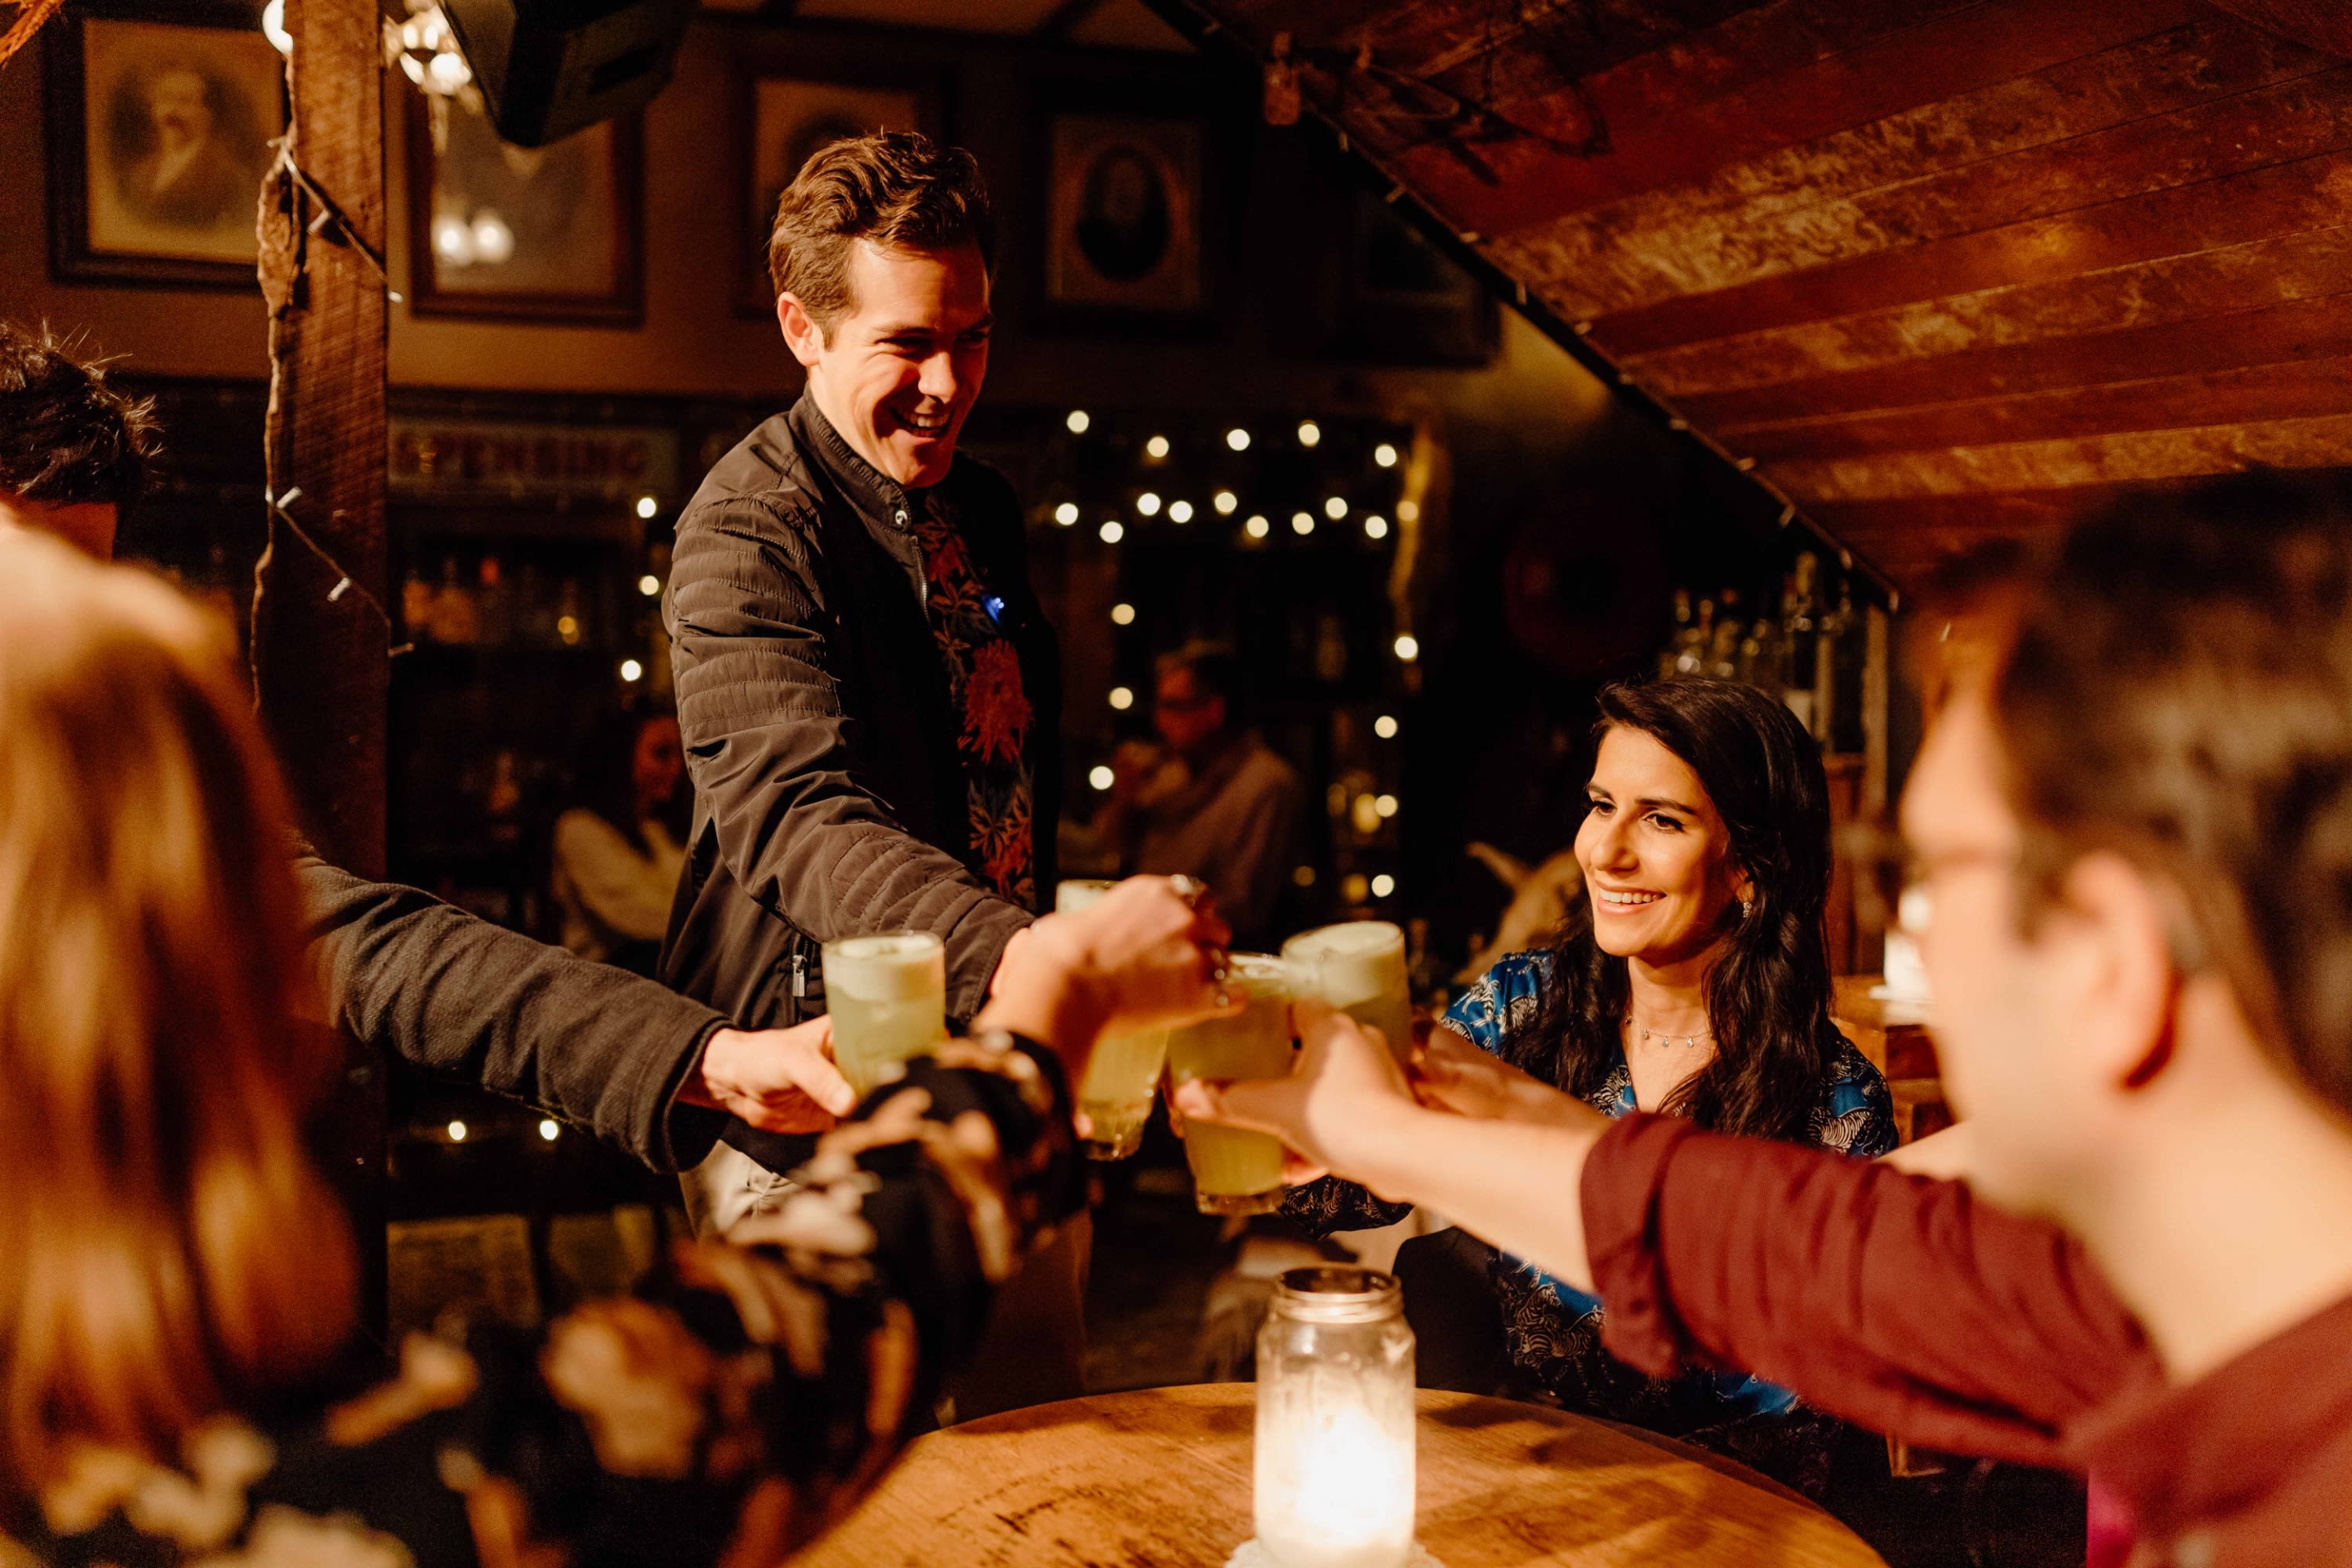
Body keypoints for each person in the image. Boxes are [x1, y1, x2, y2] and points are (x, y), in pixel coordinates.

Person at [0, 525, 1232, 1566]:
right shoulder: (329, 1511)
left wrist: (710, 1055)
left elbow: (392, 948)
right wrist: (1041, 1018)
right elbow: (772, 1367)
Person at [1181, 473, 2352, 1563]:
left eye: (1933, 872)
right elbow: (1777, 1246)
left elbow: (1795, 1268)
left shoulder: (2303, 1497)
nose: (1918, 937)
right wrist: (1395, 1127)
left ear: (2111, 957)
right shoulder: (2168, 1295)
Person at [0, 318, 858, 1173]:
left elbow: (381, 948)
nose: (64, 623)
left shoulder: (107, 769)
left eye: (87, 583)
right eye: (28, 572)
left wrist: (705, 1058)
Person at [1282, 677, 1893, 1494]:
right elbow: (1338, 1196)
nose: (1606, 851)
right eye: (1602, 805)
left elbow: (1806, 1395)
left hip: (1724, 1505)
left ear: (1751, 864)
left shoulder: (1834, 1101)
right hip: (1517, 1473)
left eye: (1662, 819)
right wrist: (1281, 1097)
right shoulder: (1525, 1008)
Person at [1090, 641, 1303, 945]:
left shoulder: (1266, 783)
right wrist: (1125, 801)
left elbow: (1244, 908)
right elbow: (1111, 853)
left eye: (1173, 707)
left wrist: (1141, 919)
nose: (1160, 722)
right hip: (1142, 943)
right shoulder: (1169, 773)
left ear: (1214, 711)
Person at [550, 708, 689, 974]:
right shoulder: (580, 828)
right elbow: (636, 914)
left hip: (656, 971)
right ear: (621, 757)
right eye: (662, 754)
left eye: (681, 755)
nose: (676, 768)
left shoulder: (659, 829)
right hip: (604, 979)